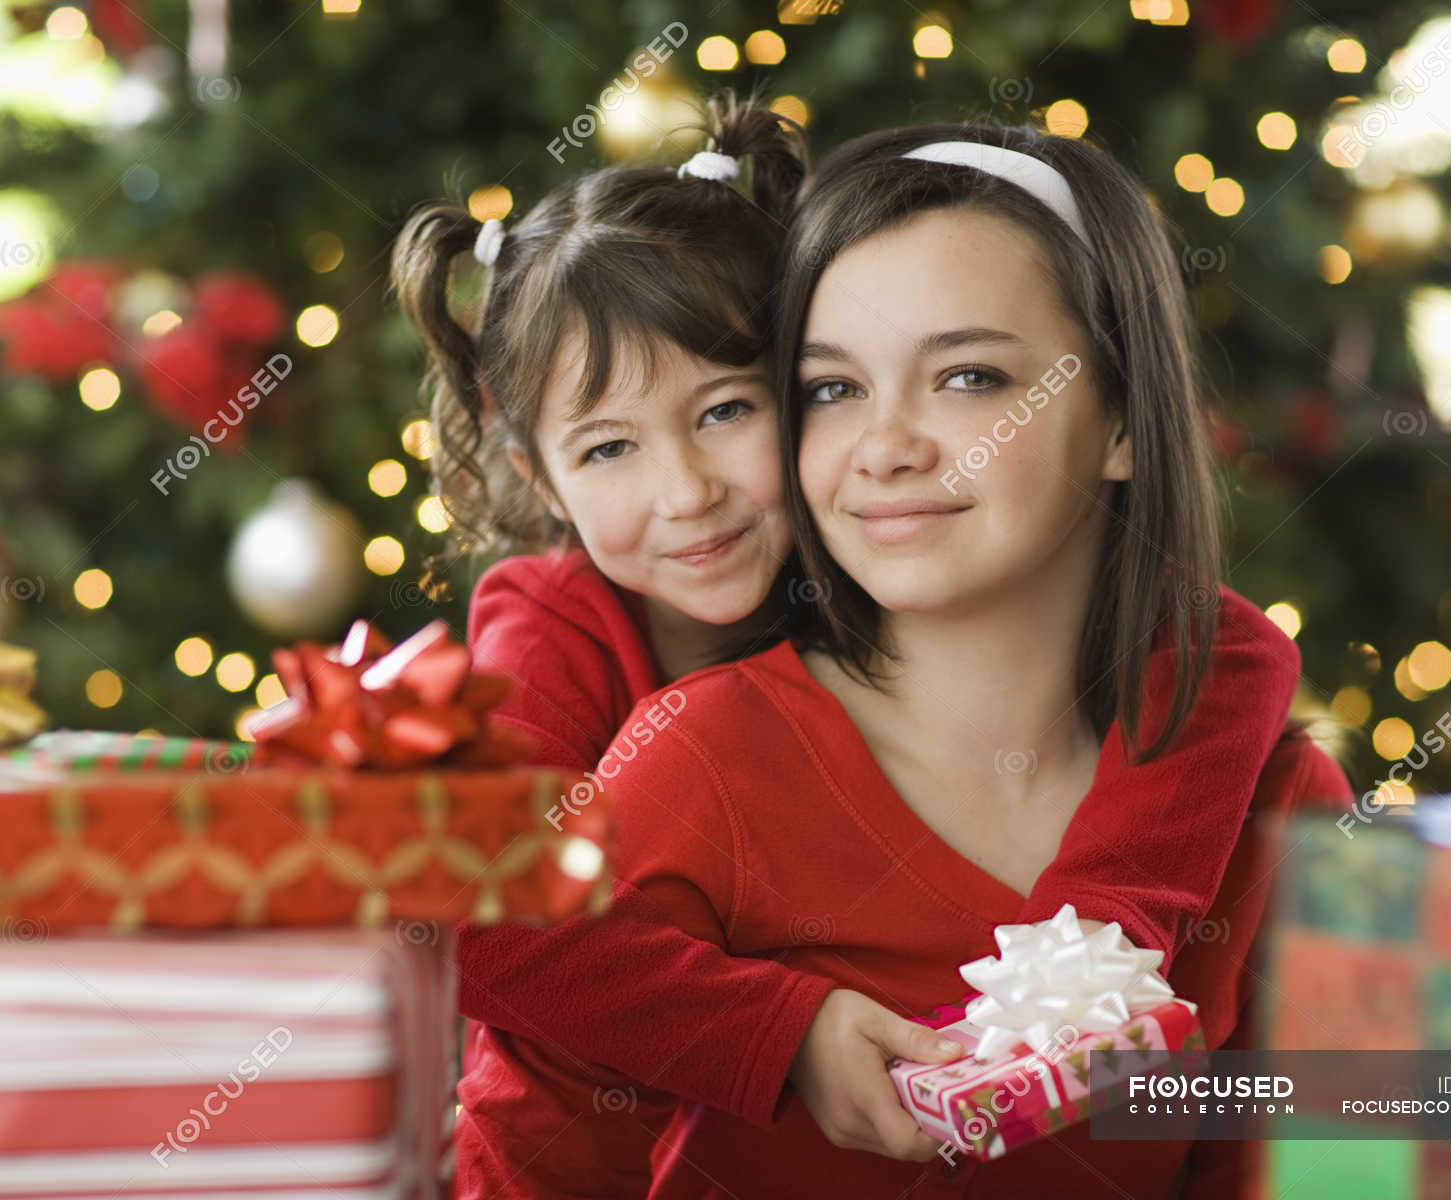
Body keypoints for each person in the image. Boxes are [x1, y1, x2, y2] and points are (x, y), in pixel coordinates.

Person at [392, 97, 1313, 1196]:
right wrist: (775, 1036)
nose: (884, 448)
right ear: (542, 477)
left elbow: (1334, 1145)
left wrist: (1095, 958)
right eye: (834, 388)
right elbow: (478, 958)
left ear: (1121, 414)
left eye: (973, 377)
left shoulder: (1269, 785)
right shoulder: (671, 744)